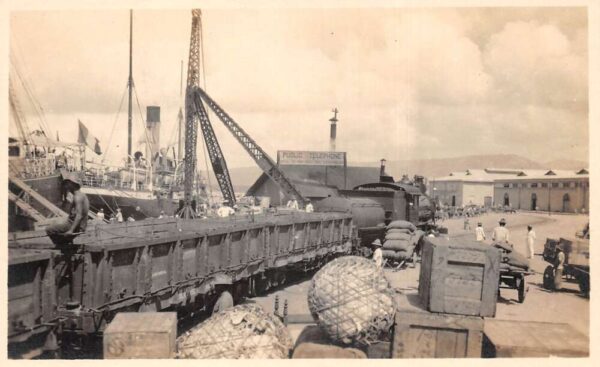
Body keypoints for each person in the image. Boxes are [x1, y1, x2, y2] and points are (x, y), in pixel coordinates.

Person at [46, 173, 89, 245]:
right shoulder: (82, 195)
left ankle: (62, 246)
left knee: (49, 229)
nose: (65, 186)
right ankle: (66, 242)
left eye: (67, 184)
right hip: (79, 225)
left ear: (72, 184)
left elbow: (79, 215)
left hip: (75, 225)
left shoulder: (77, 197)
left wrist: (71, 230)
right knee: (56, 223)